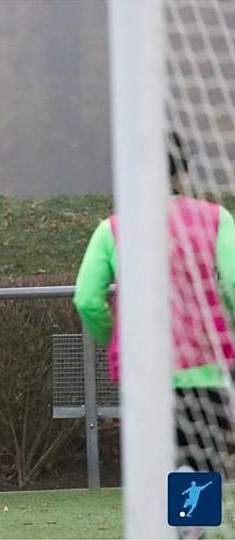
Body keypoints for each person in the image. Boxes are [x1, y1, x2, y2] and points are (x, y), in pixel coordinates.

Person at [74, 133, 235, 475]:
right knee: (199, 471)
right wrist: (223, 332)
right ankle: (189, 527)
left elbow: (86, 299)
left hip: (143, 372)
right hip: (204, 371)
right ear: (185, 170)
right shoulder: (216, 219)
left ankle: (166, 522)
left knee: (154, 474)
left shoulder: (112, 228)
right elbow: (233, 284)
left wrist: (118, 340)